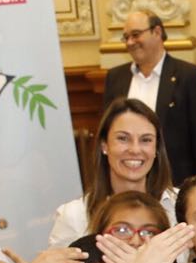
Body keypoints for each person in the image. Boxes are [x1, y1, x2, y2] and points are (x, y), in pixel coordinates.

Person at [103, 10, 196, 185]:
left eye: (136, 35)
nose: (130, 42)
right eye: (126, 37)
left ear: (157, 32)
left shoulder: (189, 76)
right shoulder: (115, 78)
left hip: (175, 183)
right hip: (126, 184)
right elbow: (107, 134)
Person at [49, 98, 178, 247]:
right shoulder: (75, 216)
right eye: (123, 138)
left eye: (146, 140)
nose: (135, 149)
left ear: (156, 149)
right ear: (104, 145)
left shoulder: (180, 205)